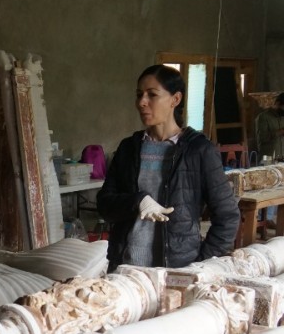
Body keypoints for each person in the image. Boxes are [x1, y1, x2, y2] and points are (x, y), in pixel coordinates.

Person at [97, 65, 239, 273]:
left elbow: (227, 216)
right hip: (125, 267)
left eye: (152, 95)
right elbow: (104, 204)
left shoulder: (199, 150)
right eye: (139, 95)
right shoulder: (129, 148)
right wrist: (138, 201)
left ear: (175, 99)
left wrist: (200, 264)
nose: (142, 102)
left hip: (176, 270)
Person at [255, 92, 284, 160]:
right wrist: (281, 131)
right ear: (277, 104)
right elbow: (262, 138)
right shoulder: (263, 117)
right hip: (268, 159)